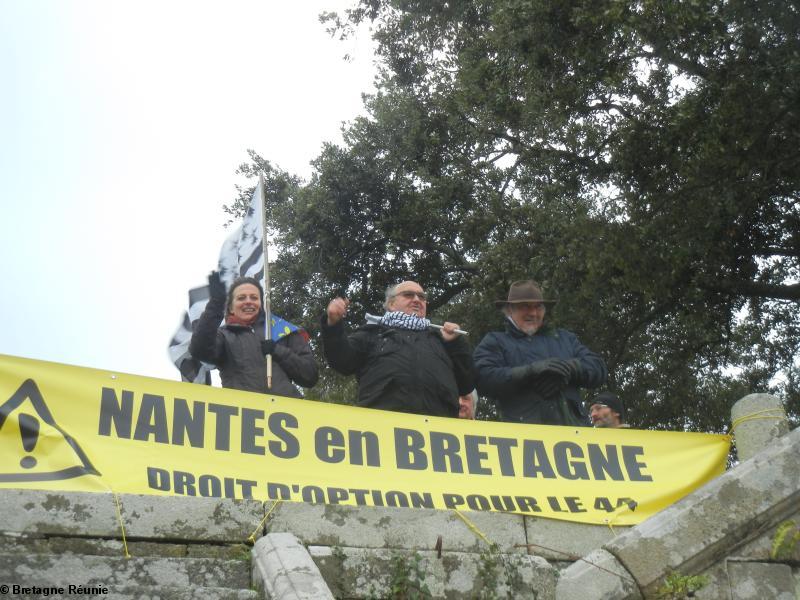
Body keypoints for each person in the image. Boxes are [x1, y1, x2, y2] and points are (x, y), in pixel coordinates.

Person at [321, 280, 474, 417]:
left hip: (439, 431)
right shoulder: (373, 333)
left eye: (422, 297)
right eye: (408, 295)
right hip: (383, 426)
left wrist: (456, 343)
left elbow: (466, 384)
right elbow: (342, 361)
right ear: (391, 304)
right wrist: (333, 325)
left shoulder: (442, 339)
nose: (416, 300)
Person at [474, 280, 607, 426]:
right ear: (510, 310)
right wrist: (531, 372)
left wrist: (567, 368)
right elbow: (482, 377)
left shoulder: (565, 338)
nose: (533, 312)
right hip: (526, 440)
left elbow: (598, 368)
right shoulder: (496, 341)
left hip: (574, 437)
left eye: (538, 307)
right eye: (525, 307)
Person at [189, 271, 318, 398]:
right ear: (231, 308)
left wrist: (278, 351)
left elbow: (310, 376)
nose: (248, 301)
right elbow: (199, 349)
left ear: (261, 304)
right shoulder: (224, 336)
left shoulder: (282, 330)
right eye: (241, 298)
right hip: (244, 414)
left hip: (287, 413)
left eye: (254, 297)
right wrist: (216, 304)